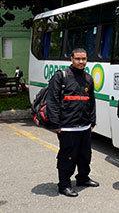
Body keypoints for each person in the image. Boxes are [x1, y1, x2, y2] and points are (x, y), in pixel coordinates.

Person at [46, 48, 99, 197]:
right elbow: (52, 101)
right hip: (67, 127)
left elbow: (91, 101)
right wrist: (55, 124)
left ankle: (83, 178)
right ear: (71, 59)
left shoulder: (88, 78)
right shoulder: (61, 76)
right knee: (67, 157)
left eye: (84, 59)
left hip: (85, 126)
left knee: (85, 156)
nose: (81, 62)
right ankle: (64, 185)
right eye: (78, 59)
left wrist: (92, 121)